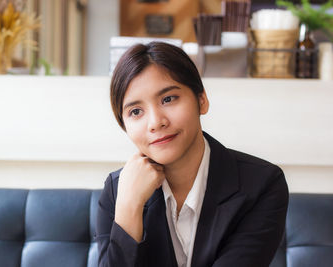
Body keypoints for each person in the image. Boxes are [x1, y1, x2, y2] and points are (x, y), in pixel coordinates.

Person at [96, 41, 288, 267]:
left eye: (168, 99)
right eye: (136, 111)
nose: (156, 122)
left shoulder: (261, 184)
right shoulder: (117, 191)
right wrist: (129, 207)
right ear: (124, 126)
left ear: (201, 100)